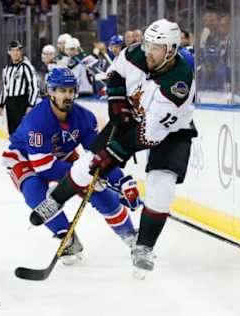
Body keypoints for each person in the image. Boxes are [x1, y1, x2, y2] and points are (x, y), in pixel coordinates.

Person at [29, 19, 197, 277]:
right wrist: (117, 103)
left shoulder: (178, 83)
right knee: (87, 163)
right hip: (132, 117)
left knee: (161, 185)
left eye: (157, 47)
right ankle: (55, 201)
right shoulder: (134, 53)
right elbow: (116, 75)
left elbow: (146, 137)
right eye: (148, 44)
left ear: (172, 50)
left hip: (171, 133)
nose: (148, 51)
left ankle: (144, 247)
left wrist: (110, 156)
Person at [2, 68, 141, 264]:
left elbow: (100, 155)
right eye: (61, 90)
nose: (67, 95)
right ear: (50, 92)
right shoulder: (37, 120)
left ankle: (130, 236)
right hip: (24, 159)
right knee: (35, 191)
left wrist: (119, 179)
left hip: (62, 157)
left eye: (70, 90)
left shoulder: (85, 118)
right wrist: (88, 174)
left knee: (99, 192)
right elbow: (44, 167)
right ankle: (66, 237)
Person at [0, 40, 40, 134]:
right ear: (9, 52)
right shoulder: (6, 69)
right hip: (10, 103)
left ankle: (24, 148)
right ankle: (16, 148)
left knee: (24, 130)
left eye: (18, 50)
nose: (15, 53)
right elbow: (5, 88)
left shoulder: (26, 67)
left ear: (21, 52)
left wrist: (31, 105)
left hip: (22, 102)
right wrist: (1, 105)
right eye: (13, 50)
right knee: (12, 130)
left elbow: (34, 87)